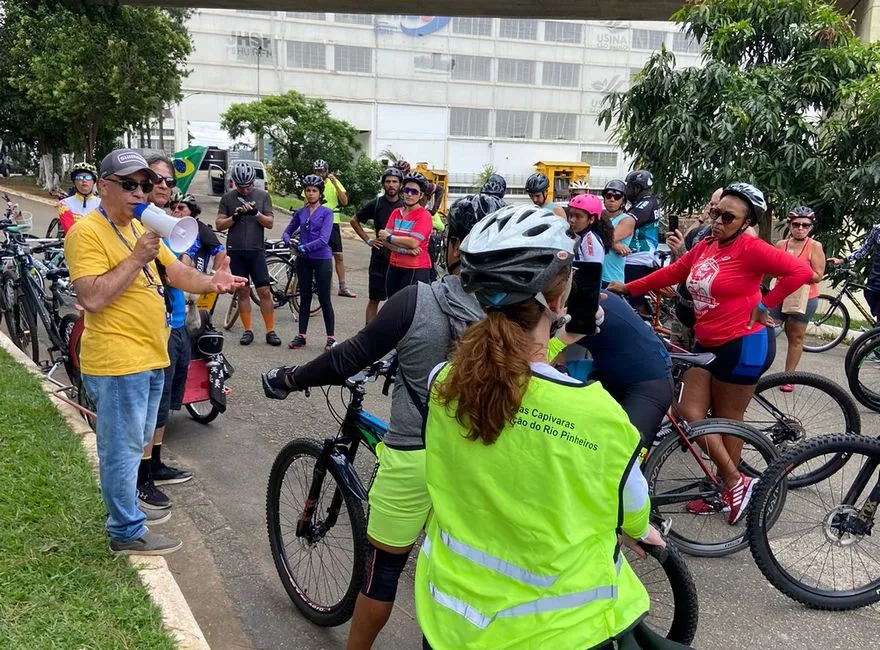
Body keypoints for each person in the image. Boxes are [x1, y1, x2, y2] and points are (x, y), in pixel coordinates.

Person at [412, 205, 672, 650]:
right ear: (556, 302)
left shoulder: (445, 383)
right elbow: (629, 511)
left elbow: (511, 384)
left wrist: (554, 342)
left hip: (448, 621)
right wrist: (640, 527)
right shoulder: (597, 414)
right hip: (557, 631)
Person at [261, 194, 505, 650]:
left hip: (415, 457)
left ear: (451, 246)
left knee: (383, 572)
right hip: (484, 463)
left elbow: (348, 357)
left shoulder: (418, 301)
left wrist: (289, 378)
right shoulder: (520, 316)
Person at [65, 148, 245, 555]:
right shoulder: (86, 233)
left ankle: (129, 511)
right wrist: (136, 257)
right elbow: (92, 297)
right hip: (118, 361)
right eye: (129, 185)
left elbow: (176, 271)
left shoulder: (136, 226)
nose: (140, 192)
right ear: (104, 186)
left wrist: (211, 283)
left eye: (145, 185)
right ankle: (125, 531)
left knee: (139, 440)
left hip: (150, 355)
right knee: (122, 446)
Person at [608, 182, 813, 524]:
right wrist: (627, 288)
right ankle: (735, 480)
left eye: (728, 217)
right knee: (688, 410)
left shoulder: (751, 247)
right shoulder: (707, 245)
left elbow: (801, 271)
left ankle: (726, 490)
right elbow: (675, 272)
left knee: (728, 421)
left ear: (745, 223)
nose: (717, 220)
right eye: (716, 213)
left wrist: (767, 304)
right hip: (707, 341)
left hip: (743, 343)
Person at [137, 153, 193, 511]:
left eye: (169, 181)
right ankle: (142, 478)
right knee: (150, 405)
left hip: (176, 321)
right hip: (156, 325)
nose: (162, 185)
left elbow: (183, 267)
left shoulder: (167, 221)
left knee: (167, 399)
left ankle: (155, 462)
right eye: (155, 179)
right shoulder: (143, 223)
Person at [552, 291, 673, 445]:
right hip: (611, 375)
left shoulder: (574, 302)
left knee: (625, 452)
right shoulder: (573, 296)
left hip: (648, 381)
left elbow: (552, 357)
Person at [216, 161, 280, 346]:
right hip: (236, 251)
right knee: (243, 291)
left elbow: (269, 223)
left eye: (249, 186)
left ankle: (270, 331)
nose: (245, 190)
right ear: (235, 183)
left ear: (253, 182)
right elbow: (220, 224)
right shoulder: (228, 199)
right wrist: (234, 217)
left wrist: (255, 213)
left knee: (264, 291)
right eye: (241, 187)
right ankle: (248, 330)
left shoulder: (263, 196)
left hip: (256, 250)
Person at [770, 207, 825, 387]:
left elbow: (818, 275)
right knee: (767, 332)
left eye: (805, 225)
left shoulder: (814, 246)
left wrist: (795, 271)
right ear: (789, 225)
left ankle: (789, 378)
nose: (800, 228)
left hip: (804, 297)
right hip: (780, 294)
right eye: (796, 224)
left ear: (811, 227)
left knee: (796, 337)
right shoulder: (781, 245)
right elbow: (773, 267)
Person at [282, 175, 337, 351]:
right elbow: (288, 230)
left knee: (324, 298)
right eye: (308, 191)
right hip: (303, 260)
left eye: (314, 191)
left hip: (321, 259)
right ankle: (301, 336)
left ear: (320, 193)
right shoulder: (301, 212)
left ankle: (330, 338)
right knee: (304, 296)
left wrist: (303, 248)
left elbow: (323, 239)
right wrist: (286, 239)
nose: (311, 194)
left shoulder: (327, 213)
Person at [350, 167, 404, 324]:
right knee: (374, 299)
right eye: (388, 181)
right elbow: (354, 220)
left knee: (397, 300)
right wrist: (368, 240)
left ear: (401, 184)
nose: (391, 185)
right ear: (383, 184)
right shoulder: (376, 203)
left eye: (395, 181)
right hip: (379, 257)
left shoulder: (405, 205)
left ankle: (392, 336)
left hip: (399, 257)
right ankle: (368, 335)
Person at [380, 173, 434, 298]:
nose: (409, 194)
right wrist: (404, 250)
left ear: (421, 195)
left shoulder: (424, 215)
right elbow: (383, 240)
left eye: (414, 192)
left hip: (416, 269)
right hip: (394, 266)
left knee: (410, 312)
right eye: (407, 190)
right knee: (392, 308)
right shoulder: (396, 213)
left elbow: (413, 243)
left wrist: (390, 238)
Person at [313, 159, 355, 298]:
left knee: (338, 256)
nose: (319, 174)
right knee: (316, 255)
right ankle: (317, 284)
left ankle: (343, 286)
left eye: (322, 171)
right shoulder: (312, 184)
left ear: (326, 171)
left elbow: (344, 201)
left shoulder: (333, 182)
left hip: (333, 222)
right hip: (317, 222)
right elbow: (305, 203)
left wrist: (335, 182)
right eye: (317, 171)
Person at [622, 170, 662, 313]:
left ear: (637, 188)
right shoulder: (650, 202)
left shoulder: (644, 204)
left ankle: (644, 324)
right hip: (640, 255)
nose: (626, 191)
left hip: (638, 257)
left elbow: (628, 223)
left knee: (633, 298)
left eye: (628, 187)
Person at [828, 218, 880, 322]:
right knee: (876, 306)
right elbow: (864, 249)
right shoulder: (877, 229)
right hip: (876, 277)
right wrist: (843, 261)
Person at [171, 191, 227, 274]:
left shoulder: (201, 229)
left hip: (196, 278)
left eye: (181, 208)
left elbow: (221, 252)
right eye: (173, 208)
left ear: (191, 210)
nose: (176, 211)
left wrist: (213, 274)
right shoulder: (171, 228)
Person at [602, 179, 634, 286]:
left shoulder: (627, 220)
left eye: (617, 197)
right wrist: (614, 245)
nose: (612, 199)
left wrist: (610, 242)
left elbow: (605, 238)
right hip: (594, 275)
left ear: (623, 200)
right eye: (608, 195)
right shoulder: (599, 216)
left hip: (612, 278)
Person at [57, 162, 101, 235]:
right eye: (79, 178)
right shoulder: (64, 204)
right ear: (74, 182)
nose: (84, 181)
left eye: (88, 177)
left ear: (93, 181)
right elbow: (70, 231)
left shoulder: (103, 204)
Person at [567, 193, 612, 263]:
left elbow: (592, 272)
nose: (572, 220)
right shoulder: (579, 236)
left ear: (592, 219)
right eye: (571, 215)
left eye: (578, 216)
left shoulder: (589, 240)